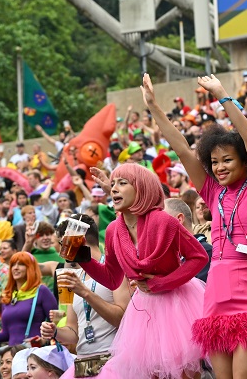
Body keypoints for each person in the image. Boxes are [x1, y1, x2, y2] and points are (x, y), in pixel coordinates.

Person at [144, 73, 247, 379]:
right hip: (216, 294)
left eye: (228, 160)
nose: (219, 167)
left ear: (246, 162)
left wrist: (223, 95)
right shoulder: (213, 192)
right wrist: (154, 108)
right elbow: (182, 149)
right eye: (215, 161)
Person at [73, 162, 208, 379]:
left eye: (122, 183)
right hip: (143, 310)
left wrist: (162, 283)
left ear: (142, 189)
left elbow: (199, 257)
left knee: (183, 373)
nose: (114, 188)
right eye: (113, 183)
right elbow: (112, 278)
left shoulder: (164, 221)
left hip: (177, 303)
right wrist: (82, 258)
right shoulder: (113, 230)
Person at [39, 214, 130, 367]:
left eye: (64, 242)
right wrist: (55, 331)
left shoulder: (115, 271)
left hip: (113, 359)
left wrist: (86, 293)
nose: (62, 249)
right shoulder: (74, 277)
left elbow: (122, 320)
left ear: (79, 240)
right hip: (83, 363)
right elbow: (73, 333)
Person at [0, 252, 57, 345]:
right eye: (13, 265)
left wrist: (43, 340)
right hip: (13, 355)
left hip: (35, 353)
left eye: (21, 264)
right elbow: (6, 335)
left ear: (30, 268)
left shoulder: (41, 291)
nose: (15, 268)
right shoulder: (8, 296)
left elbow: (57, 325)